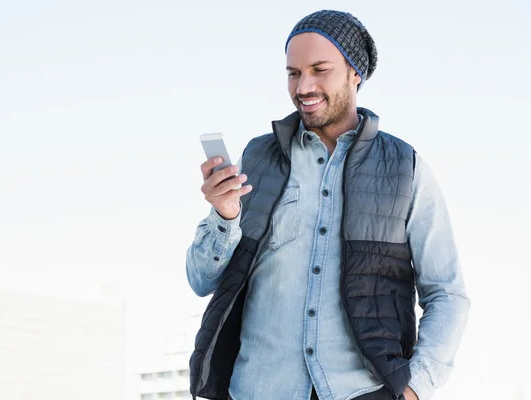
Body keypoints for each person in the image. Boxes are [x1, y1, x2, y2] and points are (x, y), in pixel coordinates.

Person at [185, 9, 470, 400]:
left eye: (320, 70)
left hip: (363, 390)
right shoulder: (258, 159)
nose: (304, 86)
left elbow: (447, 293)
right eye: (293, 73)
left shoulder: (406, 168)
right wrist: (225, 214)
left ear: (355, 73)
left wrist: (414, 387)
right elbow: (202, 280)